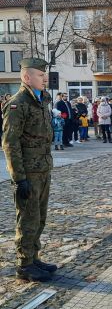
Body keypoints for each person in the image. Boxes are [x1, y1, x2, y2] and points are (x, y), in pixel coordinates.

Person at [1, 58, 57, 282]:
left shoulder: (40, 100)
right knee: (27, 219)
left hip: (42, 170)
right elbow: (10, 143)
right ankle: (24, 265)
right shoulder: (18, 104)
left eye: (44, 74)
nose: (44, 78)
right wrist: (18, 178)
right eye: (39, 75)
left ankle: (34, 257)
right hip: (28, 174)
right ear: (26, 78)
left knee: (40, 217)